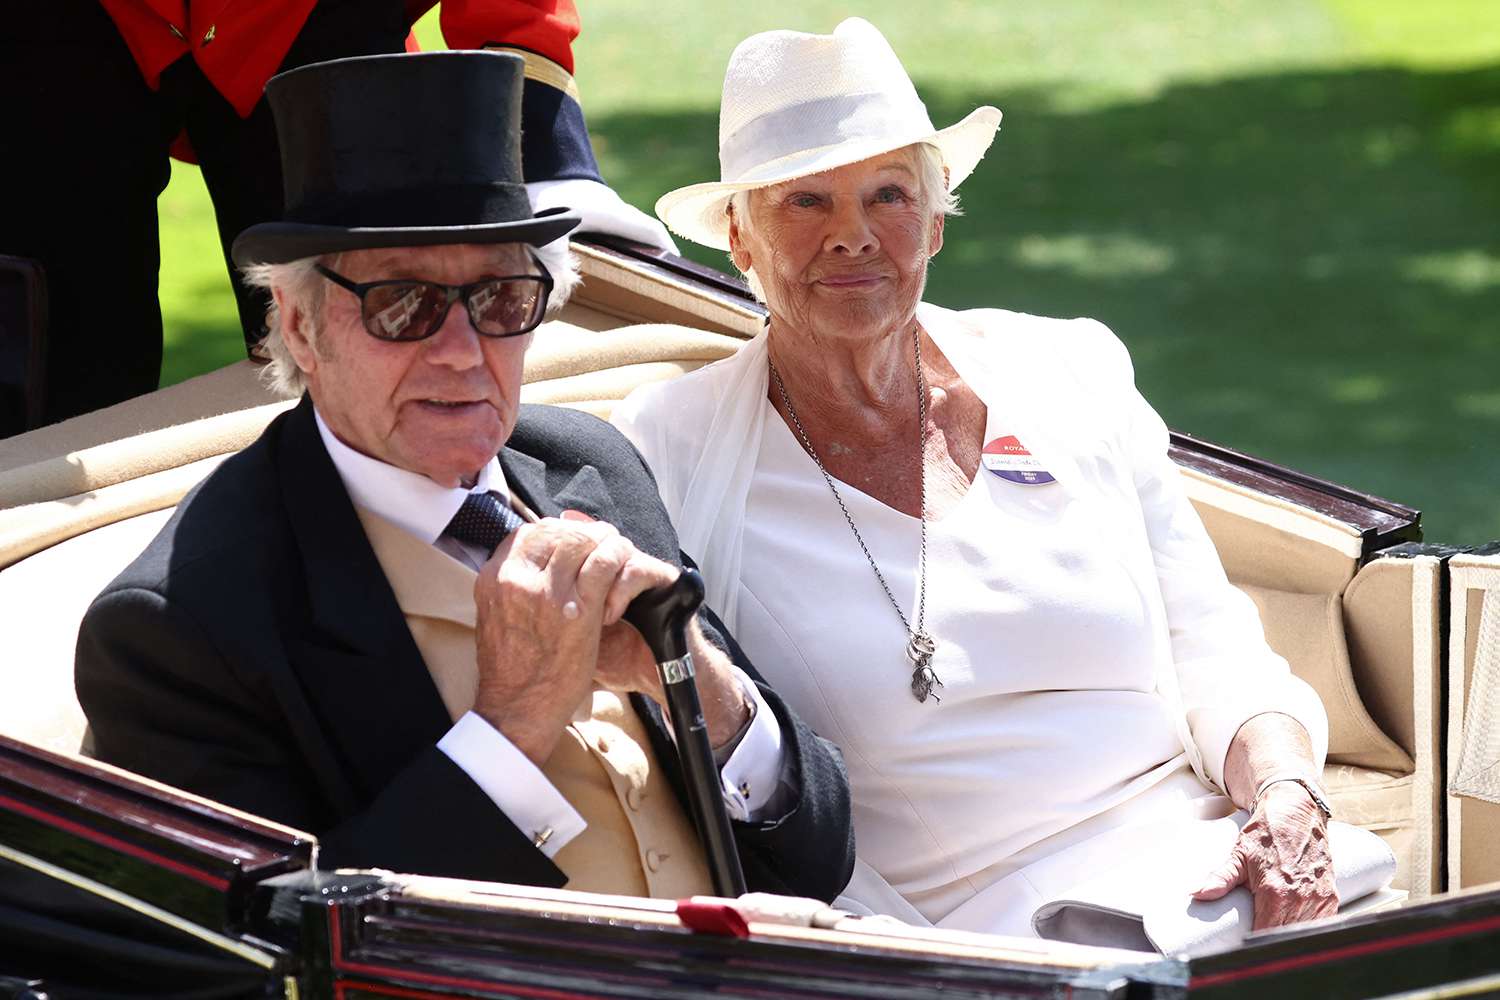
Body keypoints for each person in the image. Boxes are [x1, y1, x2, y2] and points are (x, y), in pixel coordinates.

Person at [612, 19, 1339, 937]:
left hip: (1212, 868)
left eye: (889, 194)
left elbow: (1214, 644)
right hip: (966, 935)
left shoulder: (1070, 367)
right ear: (739, 241)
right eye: (804, 201)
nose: (853, 237)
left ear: (936, 220)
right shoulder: (667, 451)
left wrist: (1283, 794)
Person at [74, 50, 852, 901]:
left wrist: (692, 681)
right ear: (299, 328)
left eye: (500, 301)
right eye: (401, 305)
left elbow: (818, 855)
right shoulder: (181, 628)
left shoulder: (585, 464)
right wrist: (511, 723)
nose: (460, 352)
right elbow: (261, 951)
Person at [1, 0, 671, 430]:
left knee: (379, 343)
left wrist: (552, 162)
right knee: (45, 380)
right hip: (71, 26)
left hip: (308, 15)